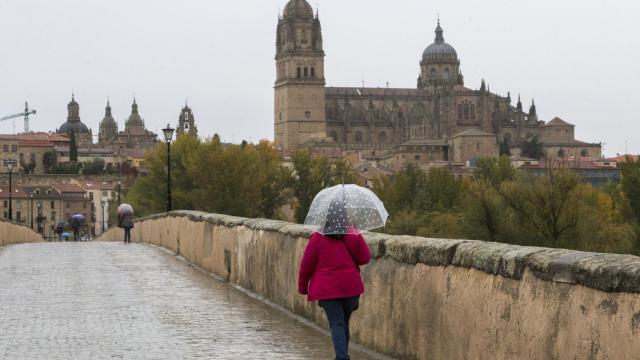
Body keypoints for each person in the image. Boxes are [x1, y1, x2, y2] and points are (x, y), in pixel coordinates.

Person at [298, 200, 371, 360]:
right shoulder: (354, 234)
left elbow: (306, 266)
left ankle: (341, 357)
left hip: (327, 291)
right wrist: (356, 234)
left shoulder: (318, 237)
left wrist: (303, 288)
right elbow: (365, 258)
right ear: (344, 216)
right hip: (351, 288)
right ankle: (343, 355)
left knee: (337, 323)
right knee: (343, 322)